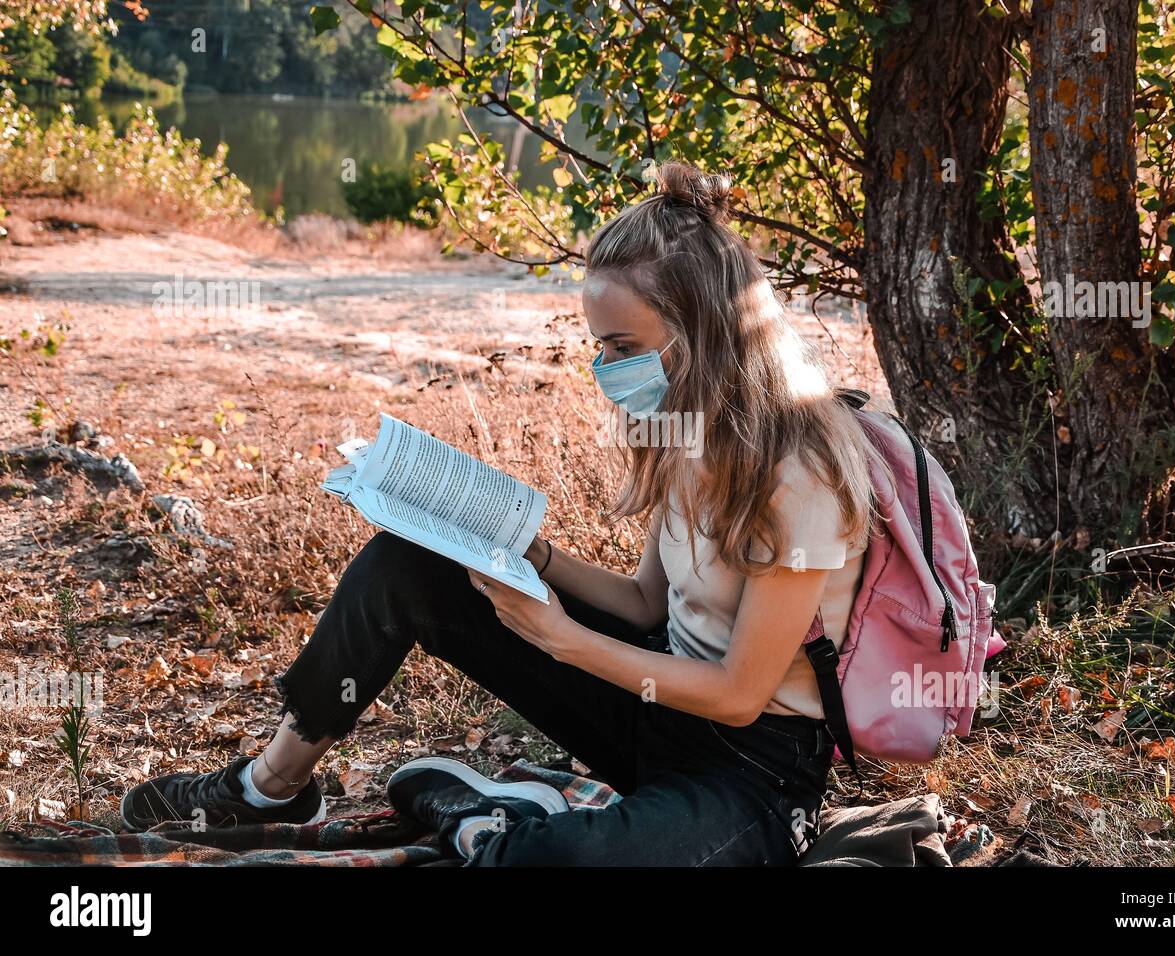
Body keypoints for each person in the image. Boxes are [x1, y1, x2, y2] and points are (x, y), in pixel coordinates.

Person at [121, 160, 887, 866]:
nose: (604, 368)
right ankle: (266, 785)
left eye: (622, 345)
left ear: (703, 329)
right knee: (407, 565)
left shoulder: (797, 471)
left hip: (752, 769)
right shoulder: (686, 430)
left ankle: (476, 809)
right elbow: (648, 602)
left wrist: (563, 639)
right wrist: (531, 554)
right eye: (599, 346)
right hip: (652, 708)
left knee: (551, 863)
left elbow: (738, 693)